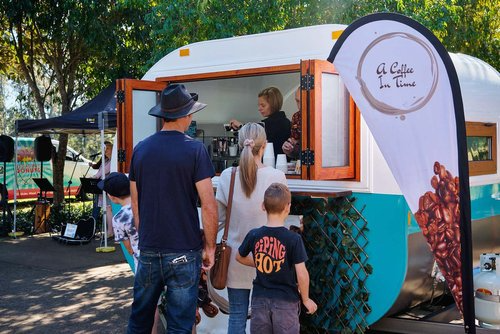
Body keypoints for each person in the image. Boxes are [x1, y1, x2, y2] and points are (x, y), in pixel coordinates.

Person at [127, 84, 218, 334]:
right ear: (185, 116)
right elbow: (208, 205)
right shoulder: (195, 150)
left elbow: (135, 202)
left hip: (148, 247)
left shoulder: (140, 150)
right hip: (183, 250)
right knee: (180, 323)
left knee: (140, 319)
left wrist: (146, 237)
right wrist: (210, 246)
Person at [216, 122, 287, 334]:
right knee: (265, 320)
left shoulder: (227, 176)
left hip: (236, 258)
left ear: (239, 145)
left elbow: (219, 219)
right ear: (264, 146)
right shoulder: (277, 176)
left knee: (236, 316)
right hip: (268, 260)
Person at [236, 183, 317, 334]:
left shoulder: (254, 235)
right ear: (288, 207)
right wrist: (306, 299)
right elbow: (302, 273)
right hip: (285, 302)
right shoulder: (293, 239)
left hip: (259, 300)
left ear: (263, 206)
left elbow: (239, 257)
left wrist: (263, 262)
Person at [230, 87, 291, 157]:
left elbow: (253, 134)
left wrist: (241, 126)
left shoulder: (269, 124)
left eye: (263, 105)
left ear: (273, 105)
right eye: (259, 105)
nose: (259, 109)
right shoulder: (287, 122)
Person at [91, 140, 114, 238]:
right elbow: (99, 172)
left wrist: (94, 177)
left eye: (108, 148)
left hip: (109, 188)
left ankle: (110, 232)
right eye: (105, 149)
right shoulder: (106, 161)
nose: (106, 151)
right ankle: (109, 231)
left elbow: (101, 173)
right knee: (107, 210)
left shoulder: (112, 161)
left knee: (109, 209)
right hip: (104, 188)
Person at [282, 88, 301, 159]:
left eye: (303, 101)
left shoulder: (322, 118)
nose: (300, 105)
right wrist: (289, 149)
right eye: (297, 101)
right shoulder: (296, 117)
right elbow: (295, 146)